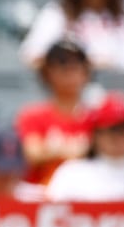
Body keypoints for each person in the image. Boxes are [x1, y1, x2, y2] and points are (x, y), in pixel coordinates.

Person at [15, 38, 94, 185]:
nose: (70, 71)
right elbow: (32, 153)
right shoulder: (33, 115)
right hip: (41, 192)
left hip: (88, 194)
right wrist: (80, 151)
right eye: (62, 64)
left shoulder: (97, 116)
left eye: (77, 64)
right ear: (48, 72)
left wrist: (54, 150)